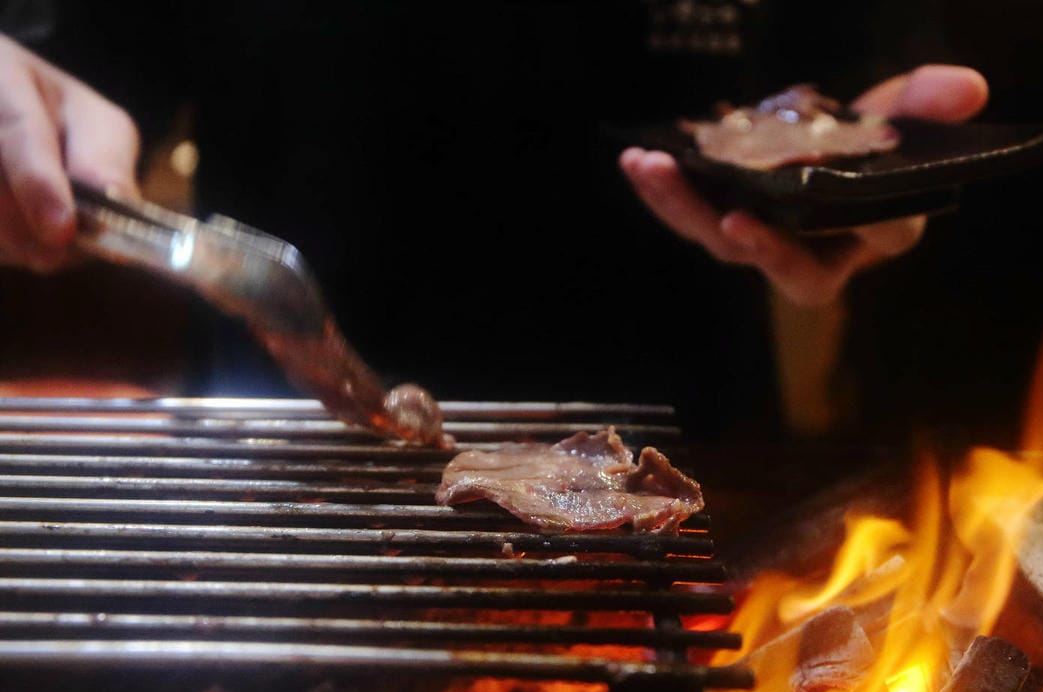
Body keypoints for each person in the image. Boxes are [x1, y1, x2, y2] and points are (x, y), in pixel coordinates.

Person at [0, 2, 987, 440]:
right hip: (281, 457)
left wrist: (876, 182)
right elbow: (65, 61)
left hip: (680, 480)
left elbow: (870, 88)